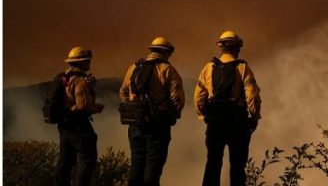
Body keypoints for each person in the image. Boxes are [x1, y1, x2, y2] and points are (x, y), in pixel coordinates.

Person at [194, 31, 261, 186]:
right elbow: (252, 96)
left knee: (213, 163)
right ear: (237, 48)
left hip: (215, 123)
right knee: (237, 166)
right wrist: (255, 117)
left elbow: (199, 96)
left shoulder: (208, 68)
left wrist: (204, 115)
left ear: (221, 47)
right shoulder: (243, 68)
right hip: (237, 122)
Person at [118, 36, 185, 186]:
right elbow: (177, 99)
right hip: (158, 124)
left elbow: (123, 92)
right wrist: (173, 114)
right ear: (166, 52)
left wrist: (135, 110)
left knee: (137, 161)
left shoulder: (134, 68)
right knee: (153, 164)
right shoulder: (167, 70)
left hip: (135, 124)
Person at [55, 46, 104, 186]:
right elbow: (82, 105)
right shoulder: (79, 80)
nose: (89, 63)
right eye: (87, 60)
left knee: (65, 160)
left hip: (64, 125)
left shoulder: (64, 78)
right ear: (82, 62)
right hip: (78, 124)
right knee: (87, 160)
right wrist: (95, 108)